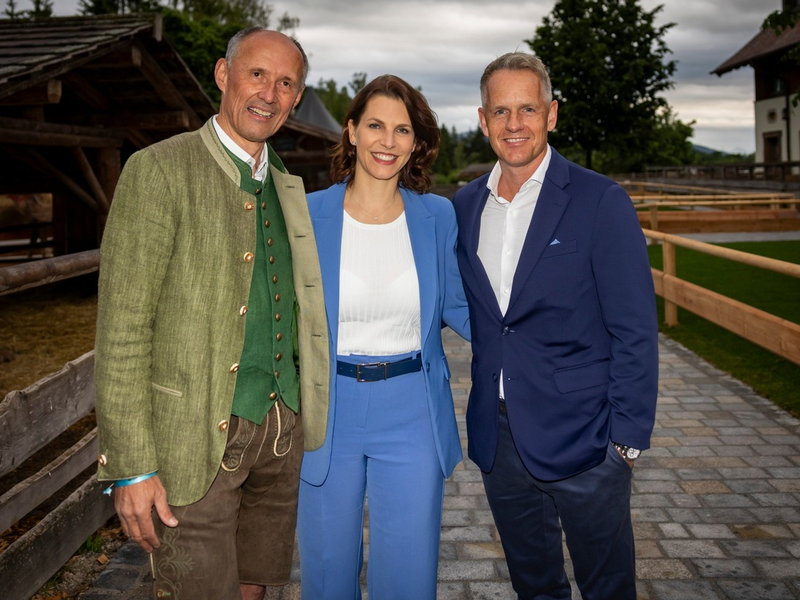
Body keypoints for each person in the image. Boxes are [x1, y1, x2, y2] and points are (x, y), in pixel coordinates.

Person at [94, 28, 330, 600]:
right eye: (256, 74)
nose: (269, 94)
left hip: (281, 434)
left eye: (285, 83)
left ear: (297, 98)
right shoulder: (158, 171)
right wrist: (131, 466)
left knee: (255, 586)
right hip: (193, 439)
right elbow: (123, 331)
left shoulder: (288, 186)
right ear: (224, 76)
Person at [452, 52, 658, 600]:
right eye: (501, 111)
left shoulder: (600, 201)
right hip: (501, 440)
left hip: (587, 439)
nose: (514, 124)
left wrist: (627, 442)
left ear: (552, 114)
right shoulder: (465, 205)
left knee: (607, 588)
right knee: (535, 588)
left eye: (527, 109)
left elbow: (635, 327)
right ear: (482, 119)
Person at [296, 74, 470, 600]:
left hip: (411, 406)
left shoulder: (438, 216)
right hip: (328, 409)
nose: (387, 141)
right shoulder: (306, 213)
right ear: (351, 131)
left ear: (416, 142)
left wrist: (539, 335)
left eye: (402, 130)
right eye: (375, 125)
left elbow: (460, 306)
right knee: (327, 574)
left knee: (410, 577)